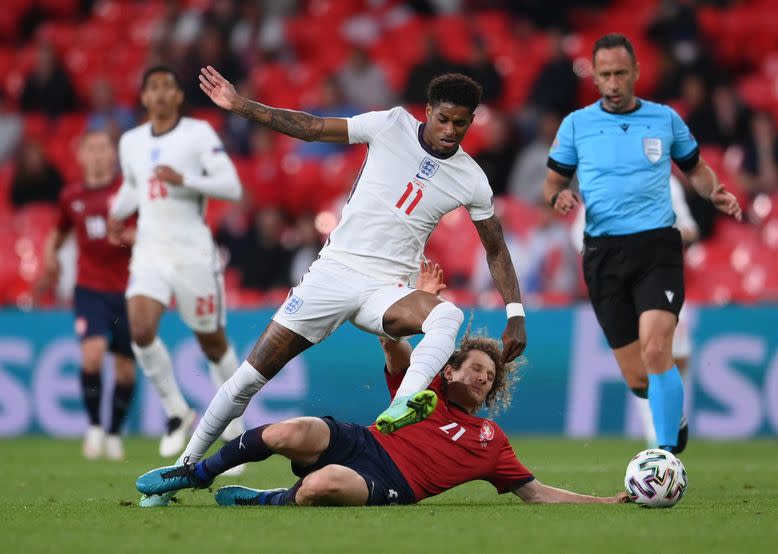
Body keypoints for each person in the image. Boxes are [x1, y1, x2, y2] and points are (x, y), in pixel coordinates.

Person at [135, 67, 527, 508]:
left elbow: (495, 248)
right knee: (247, 378)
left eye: (461, 123)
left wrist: (516, 311)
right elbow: (313, 127)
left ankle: (402, 406)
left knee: (447, 314)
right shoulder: (391, 124)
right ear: (429, 111)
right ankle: (185, 468)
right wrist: (241, 105)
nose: (450, 131)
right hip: (333, 274)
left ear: (472, 121)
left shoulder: (471, 178)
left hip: (386, 291)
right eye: (444, 119)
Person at [135, 263, 627, 508]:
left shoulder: (490, 443)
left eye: (491, 377)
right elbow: (393, 346)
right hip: (364, 439)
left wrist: (607, 502)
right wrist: (424, 304)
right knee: (290, 430)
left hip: (392, 484)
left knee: (319, 487)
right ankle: (195, 475)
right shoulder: (422, 386)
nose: (483, 376)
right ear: (449, 369)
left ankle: (262, 499)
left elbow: (537, 494)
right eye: (476, 367)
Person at [542, 34, 741, 455]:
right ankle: (676, 415)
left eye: (620, 73)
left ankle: (664, 455)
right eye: (605, 75)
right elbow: (553, 182)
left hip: (657, 248)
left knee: (656, 348)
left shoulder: (665, 119)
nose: (613, 82)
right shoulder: (576, 124)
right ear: (595, 78)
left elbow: (696, 168)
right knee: (637, 378)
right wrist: (558, 196)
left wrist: (716, 191)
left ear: (635, 73)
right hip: (603, 254)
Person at [108, 66, 245, 459]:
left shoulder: (198, 134)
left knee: (213, 342)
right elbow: (135, 187)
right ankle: (177, 412)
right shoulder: (131, 141)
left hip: (192, 253)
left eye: (170, 86)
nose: (162, 93)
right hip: (150, 250)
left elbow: (231, 187)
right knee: (140, 329)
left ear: (179, 97)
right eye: (154, 87)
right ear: (144, 97)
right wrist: (118, 213)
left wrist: (185, 180)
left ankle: (233, 427)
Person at [571, 174, 699, 447]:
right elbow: (579, 238)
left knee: (674, 355)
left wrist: (671, 233)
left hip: (660, 275)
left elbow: (690, 228)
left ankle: (662, 432)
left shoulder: (665, 182)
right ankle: (663, 427)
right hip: (619, 286)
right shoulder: (600, 184)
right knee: (640, 372)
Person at [42, 131, 136, 460]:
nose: (97, 155)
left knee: (125, 369)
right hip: (89, 288)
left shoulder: (127, 192)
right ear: (81, 156)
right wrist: (50, 253)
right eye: (91, 149)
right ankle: (95, 427)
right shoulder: (72, 196)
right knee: (92, 355)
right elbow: (60, 228)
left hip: (128, 290)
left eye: (103, 149)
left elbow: (148, 229)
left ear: (113, 156)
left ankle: (113, 432)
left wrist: (128, 235)